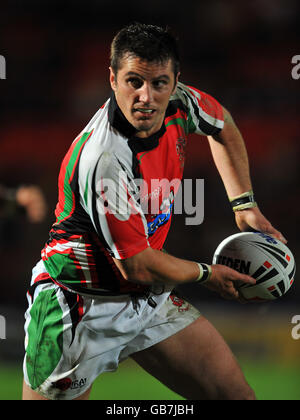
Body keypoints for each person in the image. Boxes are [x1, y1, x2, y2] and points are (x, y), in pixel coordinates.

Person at [22, 23, 286, 401]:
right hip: (79, 307)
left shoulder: (183, 101)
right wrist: (207, 274)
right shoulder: (104, 159)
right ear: (112, 79)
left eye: (159, 83)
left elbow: (222, 125)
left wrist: (244, 206)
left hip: (147, 298)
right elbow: (138, 264)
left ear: (175, 81)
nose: (146, 96)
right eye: (134, 81)